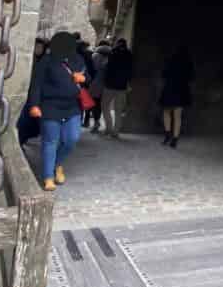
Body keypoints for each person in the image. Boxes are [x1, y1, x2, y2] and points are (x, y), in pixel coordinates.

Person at [27, 30, 88, 191]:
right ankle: (48, 176)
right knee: (50, 141)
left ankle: (57, 163)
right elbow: (36, 84)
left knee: (71, 139)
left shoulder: (78, 59)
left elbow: (87, 76)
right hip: (50, 106)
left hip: (72, 106)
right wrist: (34, 105)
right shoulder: (46, 61)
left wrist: (83, 79)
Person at [159, 45, 194, 148]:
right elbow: (191, 77)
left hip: (170, 88)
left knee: (166, 112)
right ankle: (174, 139)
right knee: (177, 115)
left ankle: (167, 134)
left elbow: (164, 74)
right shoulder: (188, 62)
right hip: (182, 90)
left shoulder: (170, 60)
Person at [16, 37, 48, 146]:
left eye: (40, 47)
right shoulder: (29, 60)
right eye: (37, 47)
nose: (38, 49)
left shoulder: (44, 61)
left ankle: (24, 139)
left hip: (38, 96)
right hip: (28, 95)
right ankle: (21, 141)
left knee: (33, 123)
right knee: (25, 121)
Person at [102, 37, 134, 138]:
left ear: (117, 43)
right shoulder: (129, 55)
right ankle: (116, 132)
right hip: (122, 87)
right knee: (118, 110)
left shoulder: (112, 53)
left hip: (109, 85)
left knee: (105, 106)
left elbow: (107, 68)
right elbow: (131, 71)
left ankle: (108, 128)